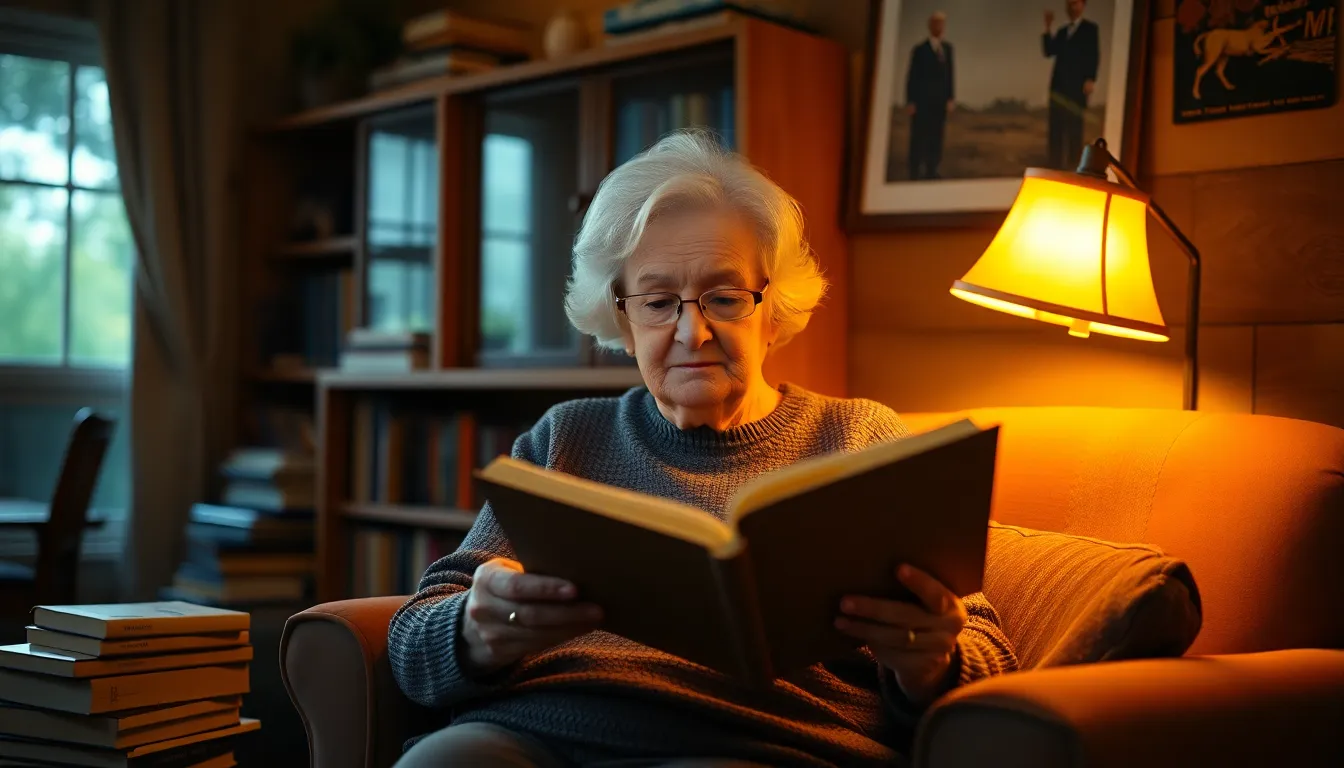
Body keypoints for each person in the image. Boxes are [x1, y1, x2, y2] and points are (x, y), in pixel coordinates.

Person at [387, 131, 1018, 768]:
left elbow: (989, 661)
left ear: (772, 308)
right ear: (623, 318)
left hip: (759, 747)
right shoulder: (565, 436)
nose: (694, 330)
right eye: (659, 302)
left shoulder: (858, 440)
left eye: (724, 296)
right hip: (529, 736)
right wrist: (475, 629)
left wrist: (934, 660)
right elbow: (412, 644)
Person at [1042, 0, 1100, 169]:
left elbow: (1094, 55)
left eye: (1075, 3)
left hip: (1076, 88)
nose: (1071, 8)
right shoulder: (1062, 32)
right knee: (1056, 130)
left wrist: (1090, 79)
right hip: (1058, 89)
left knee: (1074, 129)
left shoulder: (1090, 29)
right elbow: (1048, 51)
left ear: (1083, 5)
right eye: (1069, 4)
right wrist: (1047, 28)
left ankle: (1074, 166)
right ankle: (1054, 166)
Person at [904, 11, 955, 180]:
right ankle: (914, 171)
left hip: (939, 104)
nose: (939, 27)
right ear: (930, 26)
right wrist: (910, 101)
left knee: (936, 137)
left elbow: (950, 75)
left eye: (941, 24)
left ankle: (932, 170)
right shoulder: (920, 50)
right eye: (936, 23)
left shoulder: (948, 49)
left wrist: (950, 98)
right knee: (918, 137)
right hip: (921, 103)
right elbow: (912, 76)